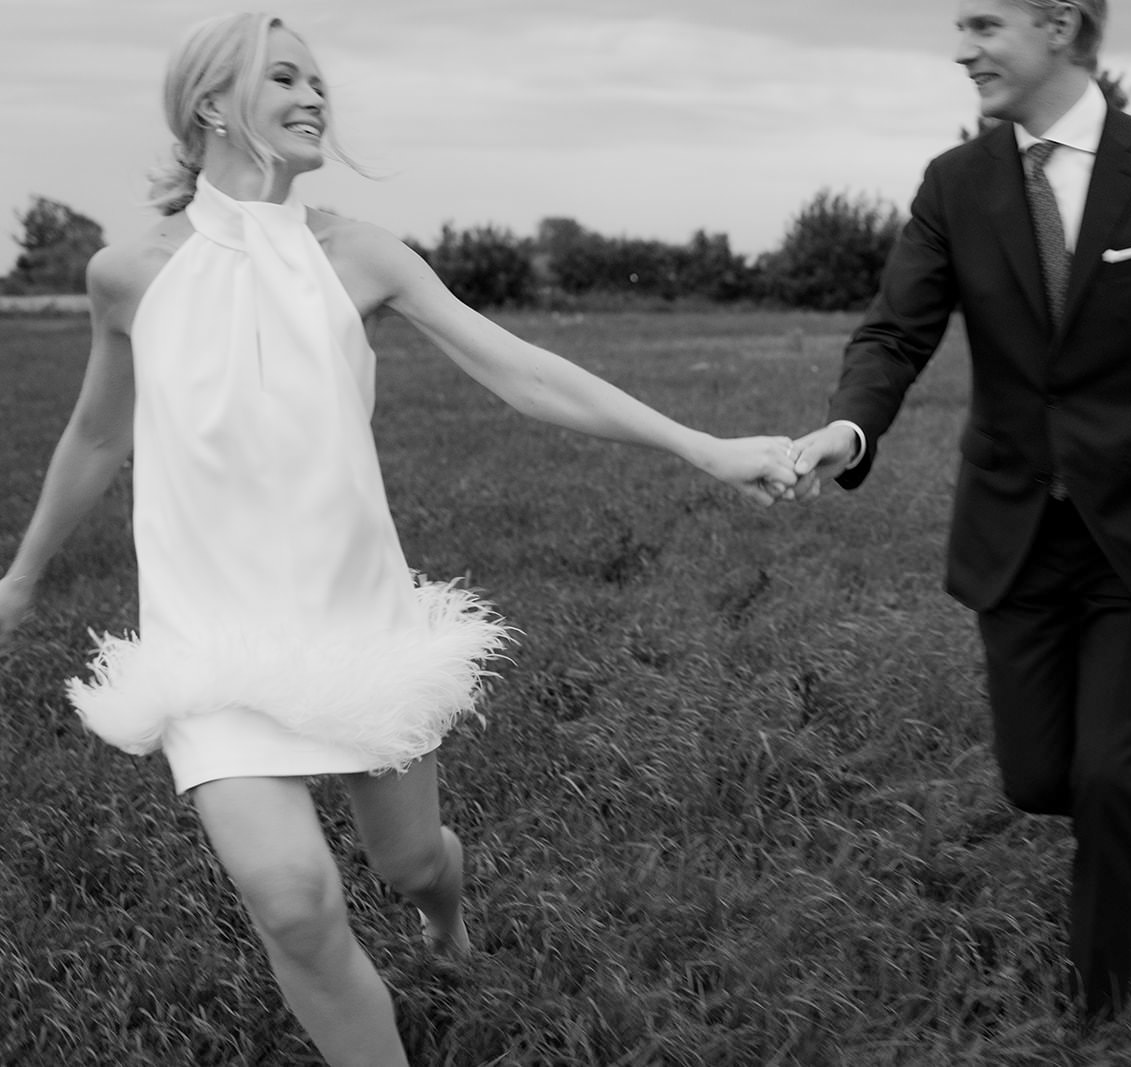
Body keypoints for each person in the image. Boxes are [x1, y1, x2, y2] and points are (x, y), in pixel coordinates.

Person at [0, 13, 796, 1065]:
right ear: (208, 105)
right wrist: (21, 576)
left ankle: (446, 919)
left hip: (355, 618)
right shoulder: (127, 273)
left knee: (409, 858)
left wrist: (702, 445)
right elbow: (99, 431)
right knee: (292, 898)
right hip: (207, 639)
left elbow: (520, 369)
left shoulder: (361, 254)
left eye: (320, 79)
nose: (315, 95)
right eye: (285, 76)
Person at [787, 0, 1131, 1020]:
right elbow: (895, 333)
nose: (961, 48)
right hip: (1012, 527)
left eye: (984, 24)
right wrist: (848, 430)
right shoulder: (958, 183)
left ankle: (1099, 1005)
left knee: (1106, 781)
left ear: (1062, 25)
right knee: (1037, 777)